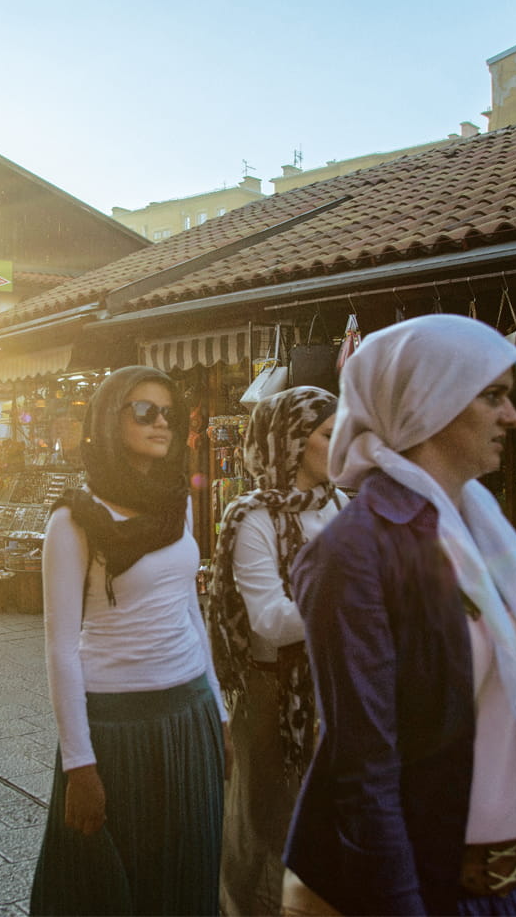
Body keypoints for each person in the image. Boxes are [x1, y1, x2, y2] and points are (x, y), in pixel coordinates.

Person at [283, 314, 516, 916]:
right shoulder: (354, 553)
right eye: (492, 397)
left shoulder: (481, 527)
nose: (513, 417)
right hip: (433, 892)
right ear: (428, 403)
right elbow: (364, 769)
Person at [29, 365, 228, 916]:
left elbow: (191, 609)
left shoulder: (175, 505)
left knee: (189, 871)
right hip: (117, 725)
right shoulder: (74, 521)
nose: (161, 422)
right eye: (144, 411)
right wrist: (80, 764)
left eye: (169, 413)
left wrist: (220, 711)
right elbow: (61, 647)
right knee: (115, 884)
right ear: (108, 420)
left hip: (189, 712)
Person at [206, 386, 346, 916]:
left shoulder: (339, 505)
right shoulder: (253, 518)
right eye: (329, 435)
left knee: (323, 826)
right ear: (290, 444)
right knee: (263, 830)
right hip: (271, 695)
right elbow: (269, 621)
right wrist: (353, 603)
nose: (344, 444)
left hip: (332, 689)